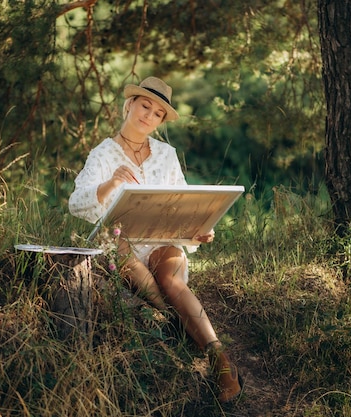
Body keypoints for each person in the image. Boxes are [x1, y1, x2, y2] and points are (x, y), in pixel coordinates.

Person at [68, 76, 242, 402]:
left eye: (158, 113)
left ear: (161, 120)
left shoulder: (166, 154)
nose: (148, 115)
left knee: (172, 279)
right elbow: (76, 202)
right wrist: (109, 184)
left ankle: (220, 360)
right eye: (145, 105)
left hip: (163, 238)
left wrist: (197, 230)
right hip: (122, 242)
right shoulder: (103, 153)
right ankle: (173, 320)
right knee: (120, 249)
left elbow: (181, 200)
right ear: (130, 104)